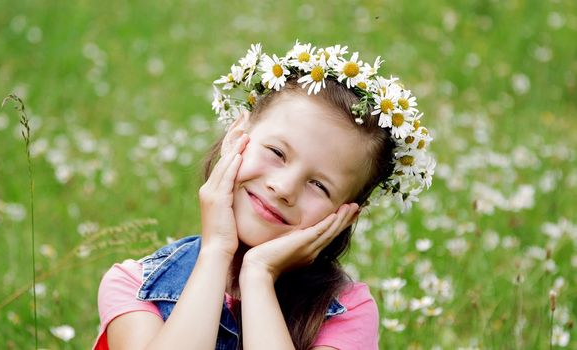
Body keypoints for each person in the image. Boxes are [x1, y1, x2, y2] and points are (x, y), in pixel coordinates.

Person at [93, 41, 434, 350]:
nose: (284, 188)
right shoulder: (136, 287)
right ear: (236, 136)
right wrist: (216, 251)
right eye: (276, 152)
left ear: (345, 214)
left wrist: (258, 276)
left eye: (319, 185)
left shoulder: (346, 312)